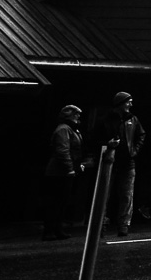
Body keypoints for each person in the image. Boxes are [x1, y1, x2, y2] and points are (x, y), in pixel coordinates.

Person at [92, 90, 145, 236]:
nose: (131, 104)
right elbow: (94, 140)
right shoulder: (105, 120)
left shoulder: (133, 119)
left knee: (127, 194)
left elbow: (141, 134)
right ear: (120, 103)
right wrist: (107, 144)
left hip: (127, 162)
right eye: (128, 101)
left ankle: (124, 225)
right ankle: (101, 224)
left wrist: (134, 151)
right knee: (105, 195)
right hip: (109, 161)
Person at [41, 104, 83, 240]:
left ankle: (57, 229)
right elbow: (63, 151)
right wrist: (70, 168)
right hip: (58, 173)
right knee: (55, 202)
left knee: (61, 202)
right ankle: (50, 230)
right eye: (76, 114)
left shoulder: (71, 129)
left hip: (63, 171)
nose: (78, 116)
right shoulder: (64, 129)